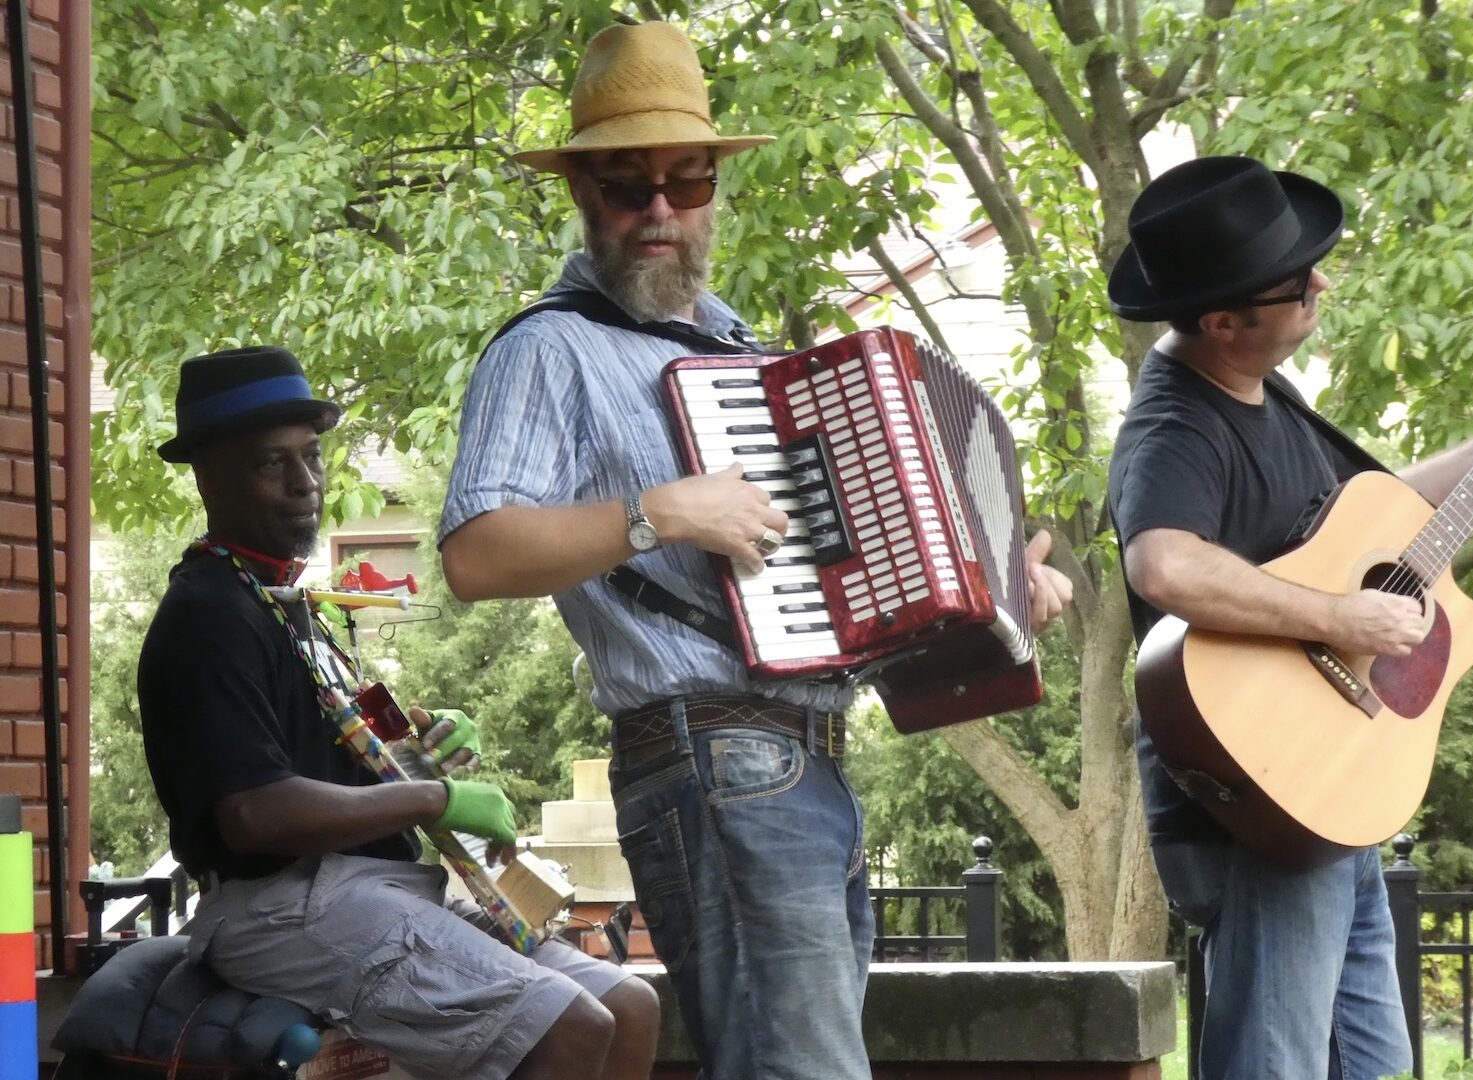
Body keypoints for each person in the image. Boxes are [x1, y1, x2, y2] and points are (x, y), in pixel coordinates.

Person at [438, 21, 1073, 1079]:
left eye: (683, 185)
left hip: (807, 757)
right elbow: (475, 555)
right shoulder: (548, 347)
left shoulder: (744, 356)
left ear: (711, 199)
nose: (657, 209)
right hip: (712, 755)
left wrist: (1001, 594)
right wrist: (658, 514)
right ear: (579, 194)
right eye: (625, 184)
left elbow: (860, 584)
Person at [1106, 155, 1473, 1080]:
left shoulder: (1271, 396)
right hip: (1255, 794)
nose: (1322, 285)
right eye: (1298, 285)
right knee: (1277, 1063)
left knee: (1372, 1062)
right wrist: (1339, 616)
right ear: (1225, 321)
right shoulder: (1175, 423)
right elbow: (1164, 562)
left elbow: (1392, 506)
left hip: (1329, 789)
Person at [137, 346, 659, 1080]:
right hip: (279, 906)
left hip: (368, 887)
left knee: (630, 1004)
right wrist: (433, 797)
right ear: (208, 476)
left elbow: (329, 763)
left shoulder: (285, 607)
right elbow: (253, 814)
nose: (305, 483)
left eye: (312, 456)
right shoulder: (208, 612)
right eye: (271, 463)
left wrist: (415, 749)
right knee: (570, 1025)